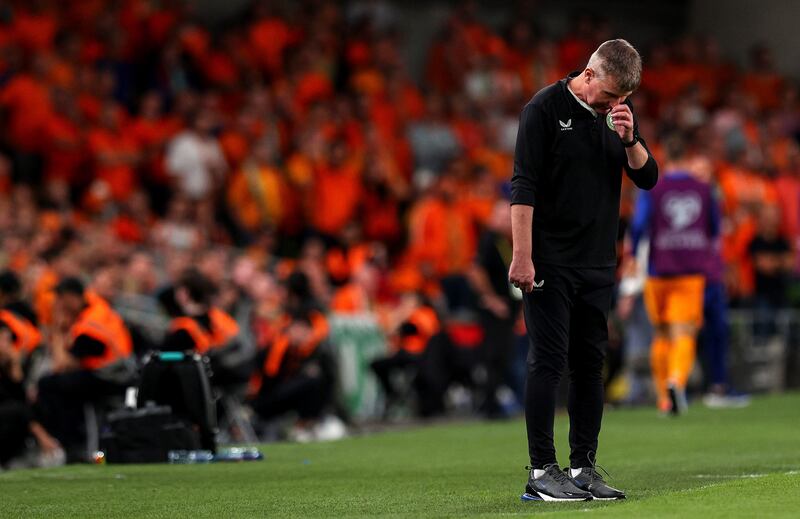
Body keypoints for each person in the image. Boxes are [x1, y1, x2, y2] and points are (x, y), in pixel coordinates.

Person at [509, 39, 658, 501]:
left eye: (623, 98)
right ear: (589, 74)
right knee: (549, 361)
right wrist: (522, 255)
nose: (616, 104)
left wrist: (630, 138)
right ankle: (540, 472)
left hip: (598, 261)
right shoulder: (544, 109)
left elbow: (648, 177)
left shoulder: (618, 117)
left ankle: (582, 468)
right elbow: (524, 186)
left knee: (591, 366)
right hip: (550, 259)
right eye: (611, 94)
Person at [629, 136, 719, 415]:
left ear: (665, 155)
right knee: (684, 331)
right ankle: (676, 381)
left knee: (662, 333)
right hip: (690, 271)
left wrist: (632, 257)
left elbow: (638, 225)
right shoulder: (704, 189)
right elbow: (714, 229)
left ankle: (663, 398)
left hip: (658, 270)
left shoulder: (654, 188)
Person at [34, 277, 134, 461]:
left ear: (72, 298)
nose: (58, 305)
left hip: (111, 376)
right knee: (59, 384)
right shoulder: (94, 310)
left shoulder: (90, 324)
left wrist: (57, 330)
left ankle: (68, 443)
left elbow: (62, 365)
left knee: (49, 384)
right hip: (115, 372)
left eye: (61, 299)